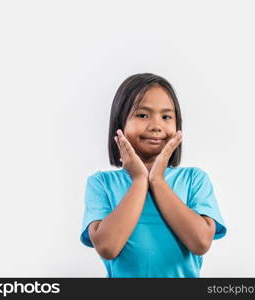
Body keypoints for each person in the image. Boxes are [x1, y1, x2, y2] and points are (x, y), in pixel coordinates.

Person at [80, 73, 227, 277]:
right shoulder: (101, 183)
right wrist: (140, 181)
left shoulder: (194, 179)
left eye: (166, 117)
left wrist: (157, 180)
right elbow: (107, 247)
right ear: (119, 124)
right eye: (142, 115)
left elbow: (201, 242)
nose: (156, 125)